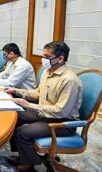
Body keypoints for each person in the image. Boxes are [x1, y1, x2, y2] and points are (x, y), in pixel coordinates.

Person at [5, 41, 83, 171]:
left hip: (61, 122)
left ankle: (30, 164)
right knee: (13, 116)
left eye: (47, 57)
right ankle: (24, 155)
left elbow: (60, 111)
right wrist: (16, 91)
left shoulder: (69, 80)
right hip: (45, 113)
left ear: (60, 58)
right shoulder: (48, 71)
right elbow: (38, 93)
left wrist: (29, 105)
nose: (43, 60)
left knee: (22, 132)